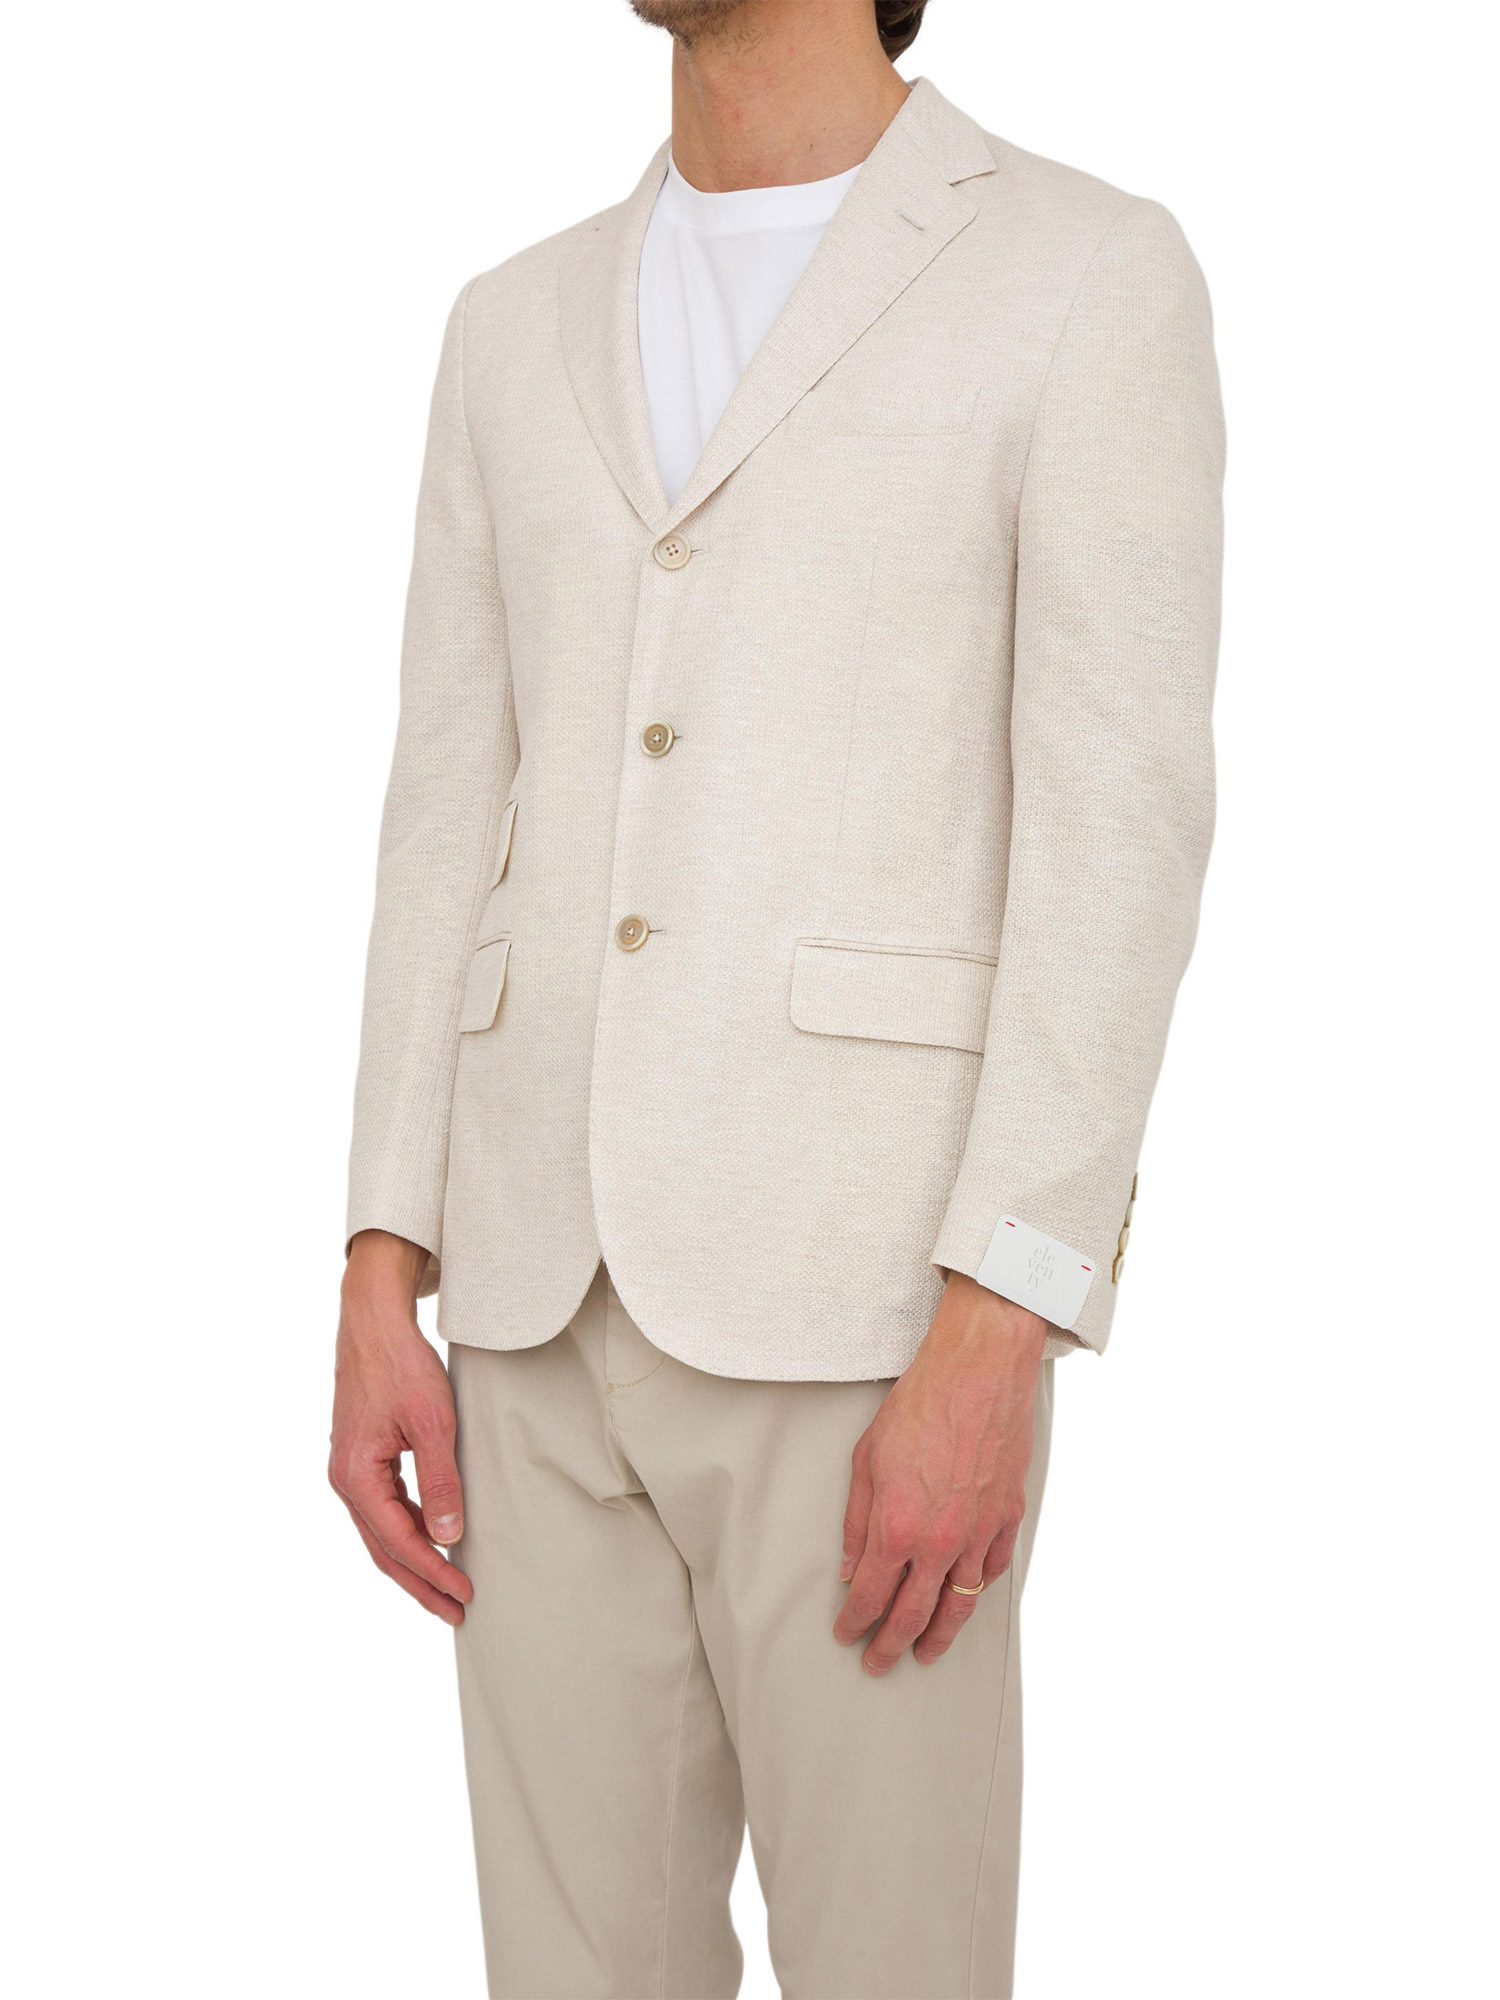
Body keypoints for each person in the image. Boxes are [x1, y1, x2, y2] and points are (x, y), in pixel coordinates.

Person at [329, 1, 1224, 1992]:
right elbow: (443, 799)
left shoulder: (1084, 273)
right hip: (530, 1308)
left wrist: (1004, 1315)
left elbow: (1121, 828)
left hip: (871, 1313)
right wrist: (384, 1257)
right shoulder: (509, 321)